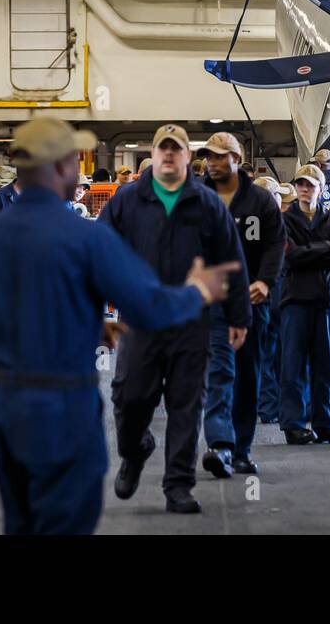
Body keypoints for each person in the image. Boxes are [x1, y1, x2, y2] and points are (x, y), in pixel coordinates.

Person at [0, 117, 239, 534]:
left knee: (21, 523)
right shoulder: (86, 239)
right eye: (74, 160)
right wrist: (197, 292)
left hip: (8, 406)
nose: (79, 170)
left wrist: (80, 326)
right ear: (58, 167)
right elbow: (148, 306)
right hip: (65, 407)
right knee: (68, 521)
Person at [100, 123, 250, 515]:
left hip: (190, 322)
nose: (168, 155)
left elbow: (230, 260)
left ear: (187, 156)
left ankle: (178, 486)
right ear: (153, 155)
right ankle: (135, 450)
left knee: (187, 404)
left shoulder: (206, 203)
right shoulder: (126, 201)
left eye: (176, 149)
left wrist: (238, 315)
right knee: (129, 398)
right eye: (162, 149)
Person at [198, 133, 286, 477]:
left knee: (248, 376)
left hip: (251, 302)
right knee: (219, 371)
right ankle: (219, 445)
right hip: (212, 301)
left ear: (236, 158)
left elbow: (275, 244)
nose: (213, 163)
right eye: (209, 157)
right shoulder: (197, 198)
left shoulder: (261, 200)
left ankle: (241, 450)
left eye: (220, 157)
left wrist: (265, 281)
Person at [279, 164, 330, 445]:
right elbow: (289, 257)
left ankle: (323, 422)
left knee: (324, 367)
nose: (305, 189)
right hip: (295, 299)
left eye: (310, 185)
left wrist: (307, 253)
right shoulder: (284, 221)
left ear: (321, 189)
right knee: (292, 364)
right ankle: (294, 424)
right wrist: (325, 249)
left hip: (325, 300)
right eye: (301, 184)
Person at [253, 176, 286, 423]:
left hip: (257, 295)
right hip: (277, 294)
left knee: (262, 353)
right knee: (275, 354)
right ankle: (269, 406)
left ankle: (263, 405)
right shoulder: (280, 223)